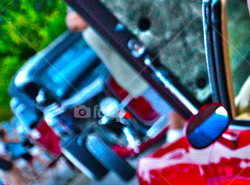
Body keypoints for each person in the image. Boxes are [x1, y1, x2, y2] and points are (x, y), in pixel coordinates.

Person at [65, 10, 182, 142]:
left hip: (130, 79)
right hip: (137, 75)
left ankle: (178, 134)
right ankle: (176, 137)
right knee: (170, 104)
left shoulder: (88, 34)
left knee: (164, 105)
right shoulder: (93, 31)